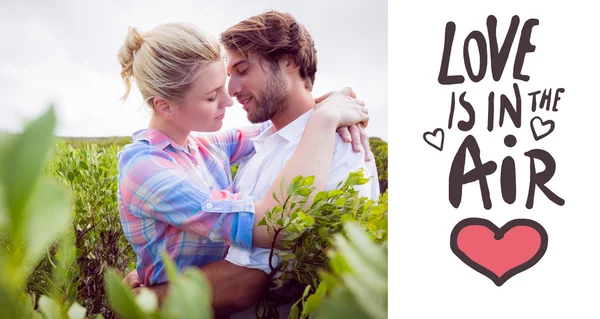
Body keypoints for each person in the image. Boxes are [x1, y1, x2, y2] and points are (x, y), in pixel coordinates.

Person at [116, 22, 371, 306]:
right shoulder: (146, 170)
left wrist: (332, 105)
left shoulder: (203, 147)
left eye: (239, 73)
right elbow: (273, 228)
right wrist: (324, 120)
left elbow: (283, 126)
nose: (229, 98)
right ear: (164, 106)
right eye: (212, 96)